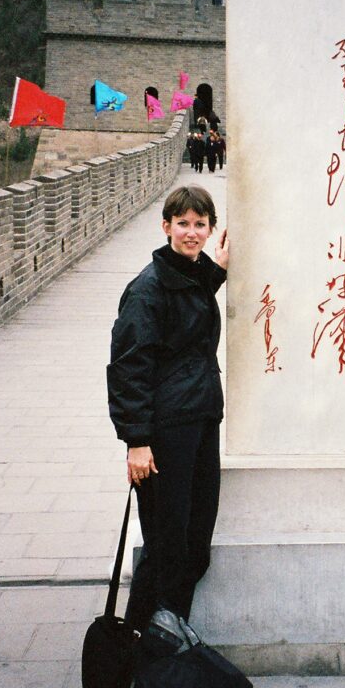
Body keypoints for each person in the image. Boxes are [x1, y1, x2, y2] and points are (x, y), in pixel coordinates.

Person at [107, 185, 229, 637]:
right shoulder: (147, 289)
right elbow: (128, 367)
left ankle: (170, 633)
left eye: (200, 224)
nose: (192, 232)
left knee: (196, 541)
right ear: (166, 227)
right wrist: (136, 440)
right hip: (165, 432)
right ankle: (139, 647)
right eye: (183, 224)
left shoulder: (190, 276)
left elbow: (189, 308)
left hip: (200, 420)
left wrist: (217, 271)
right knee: (166, 544)